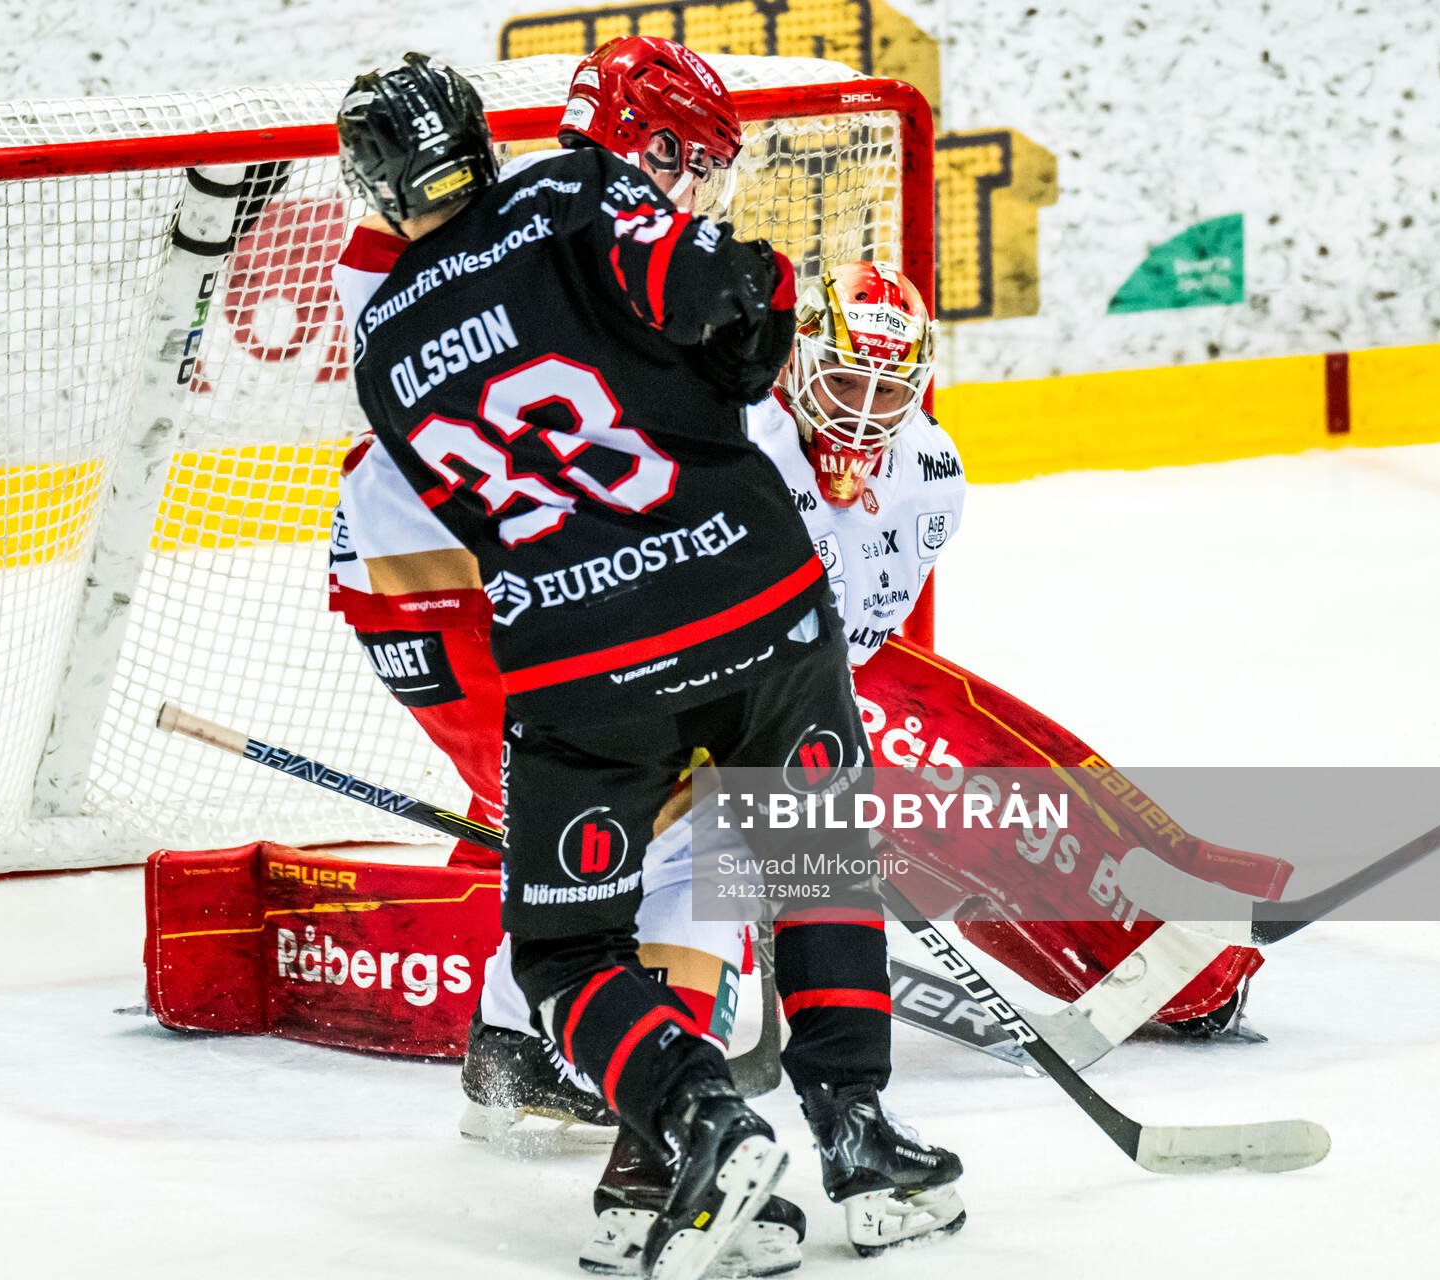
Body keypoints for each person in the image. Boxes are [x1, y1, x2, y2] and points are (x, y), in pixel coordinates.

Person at [330, 45, 965, 1271]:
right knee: (804, 845)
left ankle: (688, 1127)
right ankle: (862, 1136)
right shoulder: (570, 195)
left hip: (569, 645)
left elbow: (484, 515)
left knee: (573, 938)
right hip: (748, 594)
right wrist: (731, 359)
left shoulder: (382, 337)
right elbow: (734, 290)